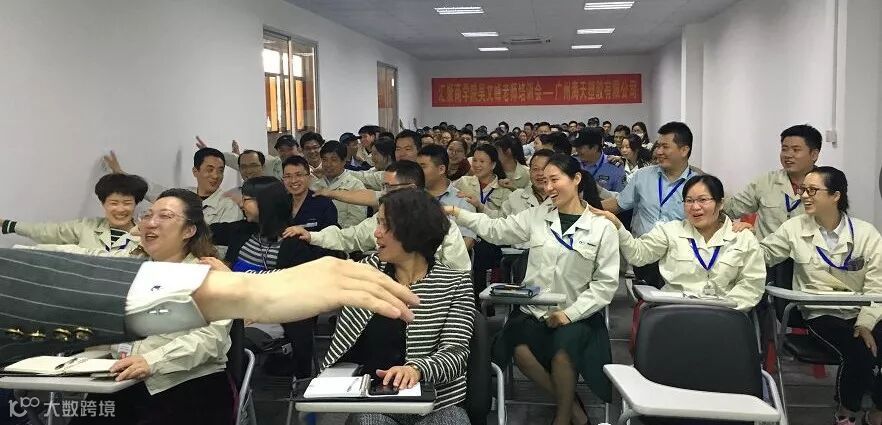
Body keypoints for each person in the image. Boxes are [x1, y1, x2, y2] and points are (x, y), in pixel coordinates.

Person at [445, 154, 619, 425]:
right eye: (544, 181)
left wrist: (569, 314)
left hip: (578, 312)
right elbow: (497, 229)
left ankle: (563, 418)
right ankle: (575, 410)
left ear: (576, 179)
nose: (548, 188)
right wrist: (458, 213)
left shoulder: (601, 227)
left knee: (563, 351)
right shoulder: (538, 215)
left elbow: (605, 284)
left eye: (554, 180)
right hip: (534, 311)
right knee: (519, 349)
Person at [68, 189, 234, 425]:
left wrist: (152, 361)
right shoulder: (130, 269)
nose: (151, 223)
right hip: (123, 379)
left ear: (189, 230)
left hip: (184, 384)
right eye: (147, 215)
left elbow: (211, 340)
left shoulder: (210, 275)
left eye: (165, 216)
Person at [322, 188, 475, 425]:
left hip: (436, 401)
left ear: (412, 230)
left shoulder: (454, 283)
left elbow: (455, 353)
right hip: (375, 399)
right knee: (370, 422)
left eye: (385, 225)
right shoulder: (365, 274)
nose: (377, 233)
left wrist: (417, 369)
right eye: (378, 223)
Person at [758, 166, 882, 425]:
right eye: (803, 190)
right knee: (858, 350)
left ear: (835, 195)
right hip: (820, 312)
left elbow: (876, 286)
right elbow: (763, 254)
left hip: (862, 310)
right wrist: (740, 239)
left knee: (869, 343)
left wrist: (865, 323)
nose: (804, 195)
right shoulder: (794, 228)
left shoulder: (866, 233)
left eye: (812, 190)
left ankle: (876, 413)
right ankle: (846, 414)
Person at [593, 175, 766, 311]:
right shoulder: (670, 231)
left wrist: (725, 309)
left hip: (724, 316)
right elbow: (637, 255)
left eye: (703, 200)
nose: (695, 207)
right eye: (689, 201)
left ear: (720, 203)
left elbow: (751, 285)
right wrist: (618, 226)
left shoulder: (742, 238)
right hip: (675, 313)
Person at [209, 177, 322, 379]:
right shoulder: (243, 232)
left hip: (274, 318)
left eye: (246, 199)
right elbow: (207, 231)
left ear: (265, 203)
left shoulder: (294, 244)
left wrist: (254, 311)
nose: (241, 204)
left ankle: (233, 395)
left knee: (225, 343)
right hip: (234, 313)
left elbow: (295, 294)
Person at [283, 161, 472, 272]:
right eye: (383, 186)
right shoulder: (382, 218)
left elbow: (460, 273)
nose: (383, 192)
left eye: (389, 187)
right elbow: (350, 237)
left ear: (411, 188)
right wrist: (312, 236)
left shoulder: (442, 226)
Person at [602, 121, 697, 287]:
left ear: (684, 150)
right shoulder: (642, 176)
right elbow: (618, 204)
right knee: (646, 299)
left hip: (680, 258)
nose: (658, 152)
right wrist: (583, 209)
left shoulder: (697, 184)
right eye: (658, 146)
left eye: (665, 147)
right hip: (644, 255)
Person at [2, 173, 148, 253]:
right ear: (103, 204)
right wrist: (6, 224)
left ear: (135, 204)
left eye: (127, 203)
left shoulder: (146, 235)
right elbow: (50, 231)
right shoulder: (87, 226)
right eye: (114, 203)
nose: (120, 209)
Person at [724, 124, 823, 239]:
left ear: (814, 155)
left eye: (796, 150)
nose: (788, 155)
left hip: (810, 249)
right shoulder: (765, 182)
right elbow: (729, 209)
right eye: (784, 149)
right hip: (766, 249)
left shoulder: (826, 185)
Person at [103, 148, 243, 225]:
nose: (215, 176)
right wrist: (121, 174)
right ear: (195, 171)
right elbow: (151, 189)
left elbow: (225, 245)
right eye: (210, 170)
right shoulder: (184, 194)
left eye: (220, 171)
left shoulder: (228, 206)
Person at [417, 145, 477, 250]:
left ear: (441, 169)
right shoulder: (413, 197)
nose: (417, 172)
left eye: (423, 167)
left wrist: (445, 258)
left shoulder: (462, 201)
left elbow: (468, 239)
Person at [311, 141, 368, 228]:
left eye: (334, 160)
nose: (328, 164)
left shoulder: (355, 186)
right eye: (325, 160)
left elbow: (356, 222)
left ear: (344, 161)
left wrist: (332, 233)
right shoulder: (314, 186)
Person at [455, 144, 513, 217]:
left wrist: (480, 206)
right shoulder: (463, 181)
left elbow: (504, 218)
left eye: (482, 161)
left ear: (493, 165)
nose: (477, 165)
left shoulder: (505, 191)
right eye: (474, 160)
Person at [282, 155, 338, 231]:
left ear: (308, 177)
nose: (293, 180)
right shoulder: (280, 204)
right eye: (288, 176)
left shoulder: (324, 204)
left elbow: (332, 235)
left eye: (299, 175)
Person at [571, 128, 627, 193]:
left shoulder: (614, 168)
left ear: (595, 148)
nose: (577, 151)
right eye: (576, 147)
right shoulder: (572, 162)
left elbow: (622, 196)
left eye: (580, 148)